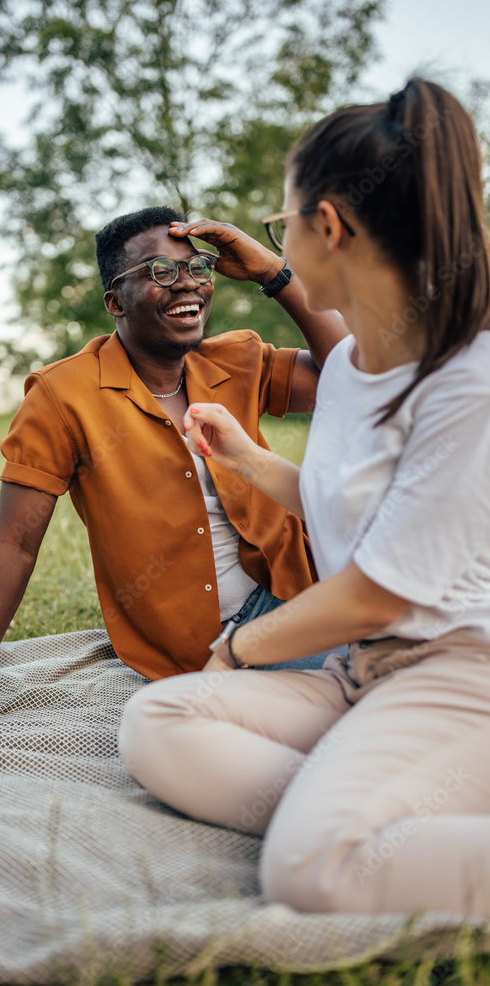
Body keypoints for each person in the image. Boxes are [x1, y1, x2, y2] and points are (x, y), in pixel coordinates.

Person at [118, 78, 490, 916]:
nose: (275, 234)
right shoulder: (358, 365)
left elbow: (379, 588)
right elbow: (361, 514)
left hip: (460, 671)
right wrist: (246, 460)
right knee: (156, 721)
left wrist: (244, 648)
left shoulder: (468, 380)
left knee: (312, 873)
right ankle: (375, 808)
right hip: (359, 674)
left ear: (328, 224)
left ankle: (349, 833)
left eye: (281, 217)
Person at [0, 205, 347, 744]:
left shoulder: (236, 360)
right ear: (115, 301)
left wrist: (271, 272)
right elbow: (15, 542)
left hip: (311, 593)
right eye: (160, 272)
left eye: (195, 268)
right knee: (374, 695)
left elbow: (353, 373)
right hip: (204, 647)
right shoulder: (62, 396)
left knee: (405, 663)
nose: (187, 284)